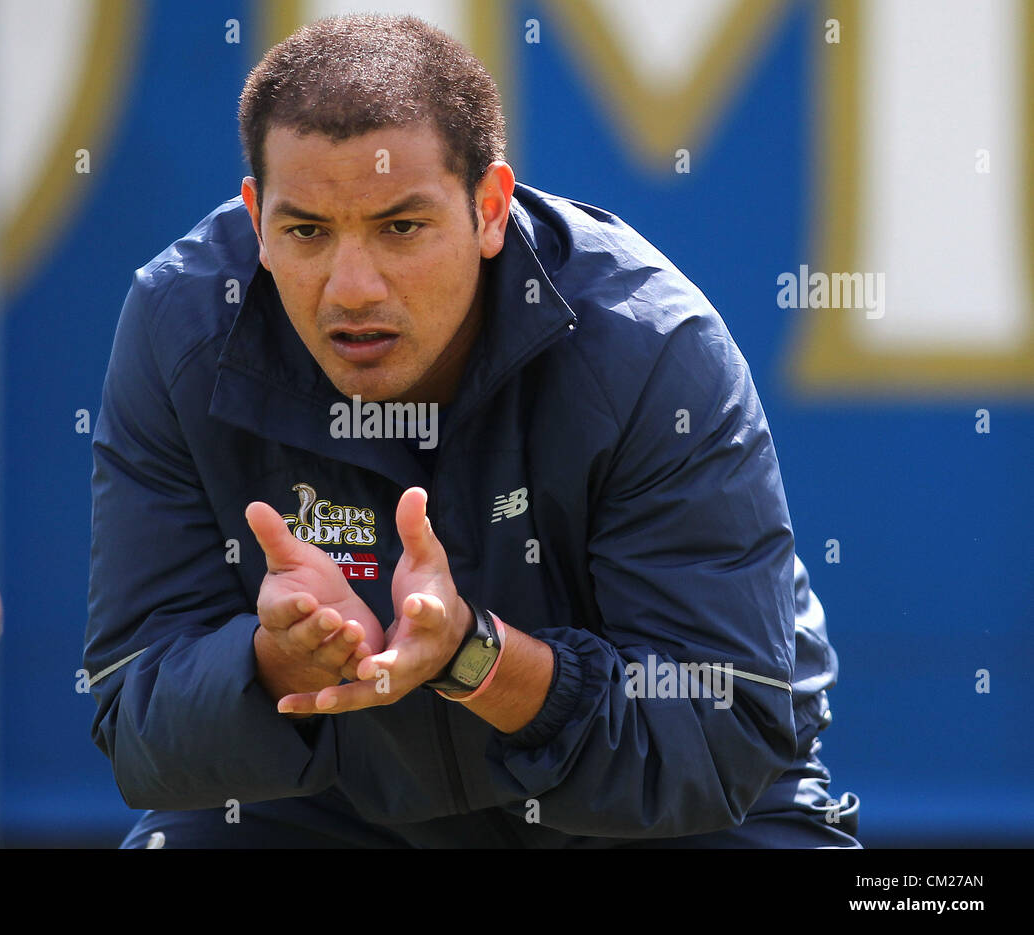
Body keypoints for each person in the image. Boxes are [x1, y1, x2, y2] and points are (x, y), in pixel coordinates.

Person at [83, 12, 860, 848]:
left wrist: (472, 654)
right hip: (326, 802)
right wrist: (279, 663)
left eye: (400, 227)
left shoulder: (651, 348)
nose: (350, 287)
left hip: (655, 817)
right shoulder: (178, 327)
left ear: (489, 208)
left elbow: (719, 733)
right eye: (305, 230)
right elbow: (135, 720)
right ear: (256, 214)